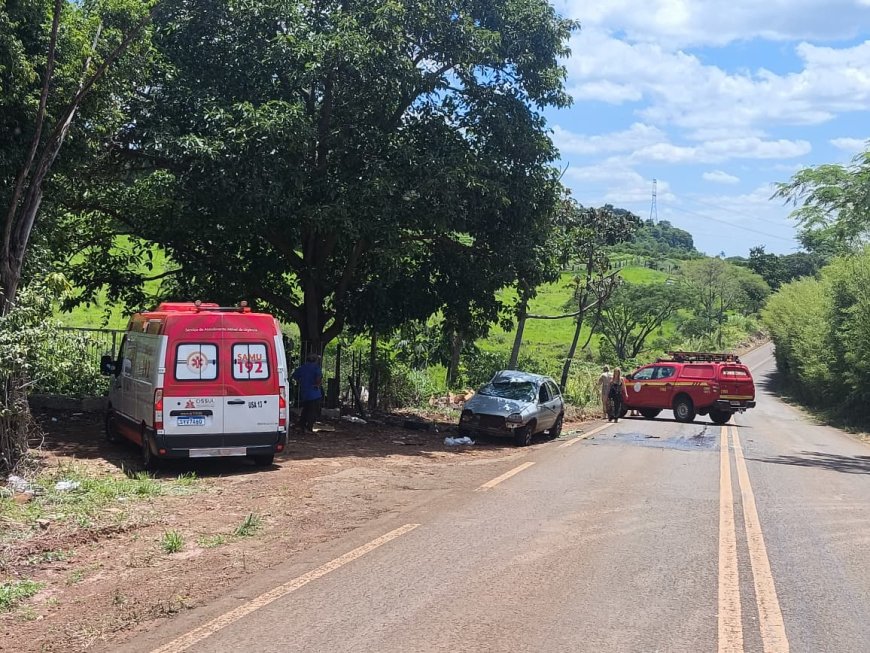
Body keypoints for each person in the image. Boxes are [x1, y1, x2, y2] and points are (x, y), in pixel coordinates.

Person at [292, 353, 323, 432]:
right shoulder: (316, 368)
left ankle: (302, 425)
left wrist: (301, 381)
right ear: (315, 360)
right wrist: (317, 384)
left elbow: (294, 376)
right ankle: (309, 427)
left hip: (305, 392)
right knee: (313, 411)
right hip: (314, 393)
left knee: (306, 409)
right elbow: (318, 377)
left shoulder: (302, 368)